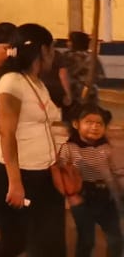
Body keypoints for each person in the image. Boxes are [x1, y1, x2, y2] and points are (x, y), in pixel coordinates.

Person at [0, 23, 66, 257]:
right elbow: (6, 133)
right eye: (52, 49)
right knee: (14, 243)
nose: (54, 55)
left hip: (43, 172)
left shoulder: (36, 82)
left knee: (50, 243)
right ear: (42, 50)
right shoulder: (11, 82)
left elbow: (50, 123)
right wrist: (15, 183)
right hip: (18, 175)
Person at [58, 104, 124, 257]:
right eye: (89, 122)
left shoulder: (106, 147)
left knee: (116, 239)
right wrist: (71, 196)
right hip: (83, 199)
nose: (95, 127)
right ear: (76, 124)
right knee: (87, 240)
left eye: (99, 123)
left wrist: (119, 191)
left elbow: (115, 172)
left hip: (106, 198)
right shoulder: (69, 148)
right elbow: (60, 171)